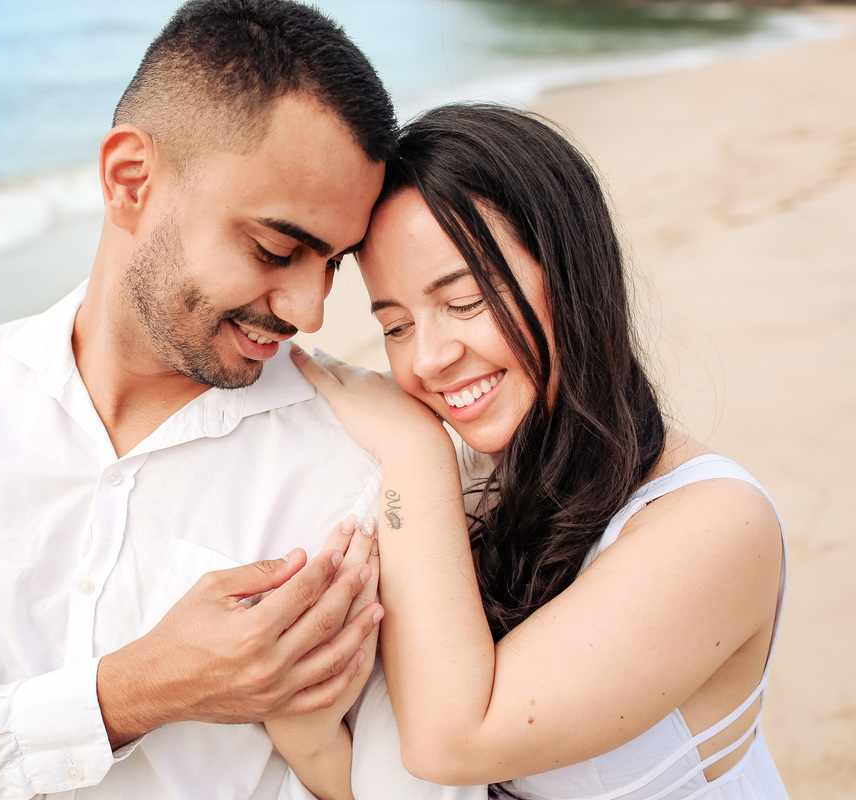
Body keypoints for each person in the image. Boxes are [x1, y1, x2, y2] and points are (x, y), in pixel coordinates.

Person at [0, 1, 397, 797]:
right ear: (131, 180)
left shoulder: (357, 463)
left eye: (332, 262)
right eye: (275, 248)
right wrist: (140, 687)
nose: (309, 311)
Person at [277, 104, 789, 800]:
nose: (428, 359)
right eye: (395, 325)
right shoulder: (477, 500)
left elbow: (452, 743)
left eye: (463, 303)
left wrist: (413, 453)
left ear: (572, 272)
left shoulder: (718, 524)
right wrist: (309, 737)